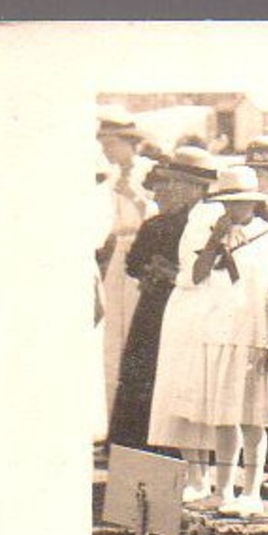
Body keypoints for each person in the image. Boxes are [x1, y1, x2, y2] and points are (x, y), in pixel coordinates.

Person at [158, 165, 268, 514]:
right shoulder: (212, 233)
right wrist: (215, 239)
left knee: (252, 418)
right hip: (216, 333)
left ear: (254, 203)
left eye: (241, 202)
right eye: (228, 203)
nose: (235, 210)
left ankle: (252, 492)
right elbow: (197, 276)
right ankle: (224, 490)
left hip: (254, 333)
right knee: (222, 417)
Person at [108, 147, 217, 450]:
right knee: (143, 373)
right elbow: (133, 264)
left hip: (191, 310)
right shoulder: (157, 224)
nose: (167, 189)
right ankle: (136, 446)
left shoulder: (210, 223)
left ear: (197, 188)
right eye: (167, 182)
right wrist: (151, 271)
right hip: (154, 308)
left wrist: (167, 271)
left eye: (176, 183)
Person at [96, 112, 157, 416]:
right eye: (102, 143)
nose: (106, 150)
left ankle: (132, 420)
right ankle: (111, 422)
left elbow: (157, 216)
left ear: (129, 143)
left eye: (111, 143)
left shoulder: (149, 172)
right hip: (119, 250)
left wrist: (134, 195)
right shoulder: (108, 178)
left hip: (142, 250)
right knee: (112, 335)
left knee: (134, 329)